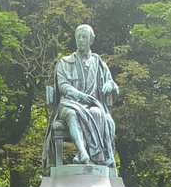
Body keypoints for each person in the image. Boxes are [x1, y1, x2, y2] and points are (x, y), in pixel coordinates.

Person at [45, 24, 118, 169]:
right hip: (69, 103)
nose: (80, 40)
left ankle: (95, 155)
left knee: (98, 113)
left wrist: (110, 85)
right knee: (72, 114)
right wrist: (80, 96)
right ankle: (83, 152)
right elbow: (63, 86)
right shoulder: (64, 63)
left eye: (84, 37)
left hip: (92, 105)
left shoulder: (99, 64)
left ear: (91, 40)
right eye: (78, 37)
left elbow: (113, 84)